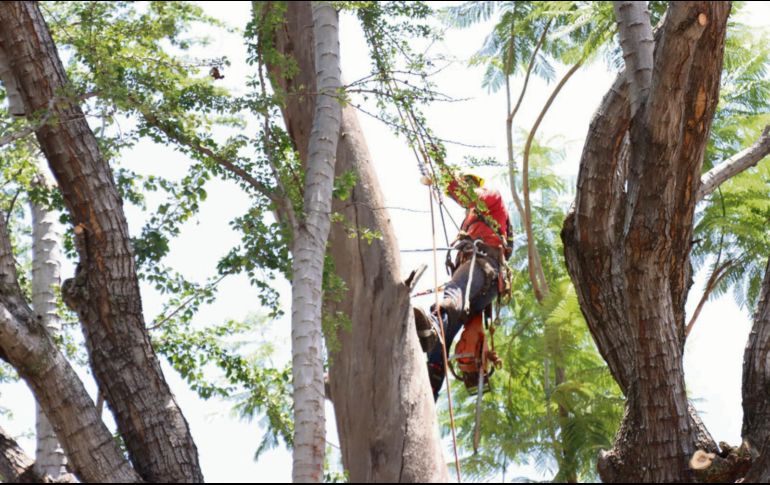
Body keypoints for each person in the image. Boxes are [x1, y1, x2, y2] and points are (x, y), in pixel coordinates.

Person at [415, 172, 512, 400]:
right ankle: (433, 382)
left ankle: (434, 325)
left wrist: (444, 178)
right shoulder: (470, 221)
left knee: (452, 296)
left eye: (468, 184)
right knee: (445, 332)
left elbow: (469, 196)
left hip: (483, 268)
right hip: (477, 285)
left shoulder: (492, 195)